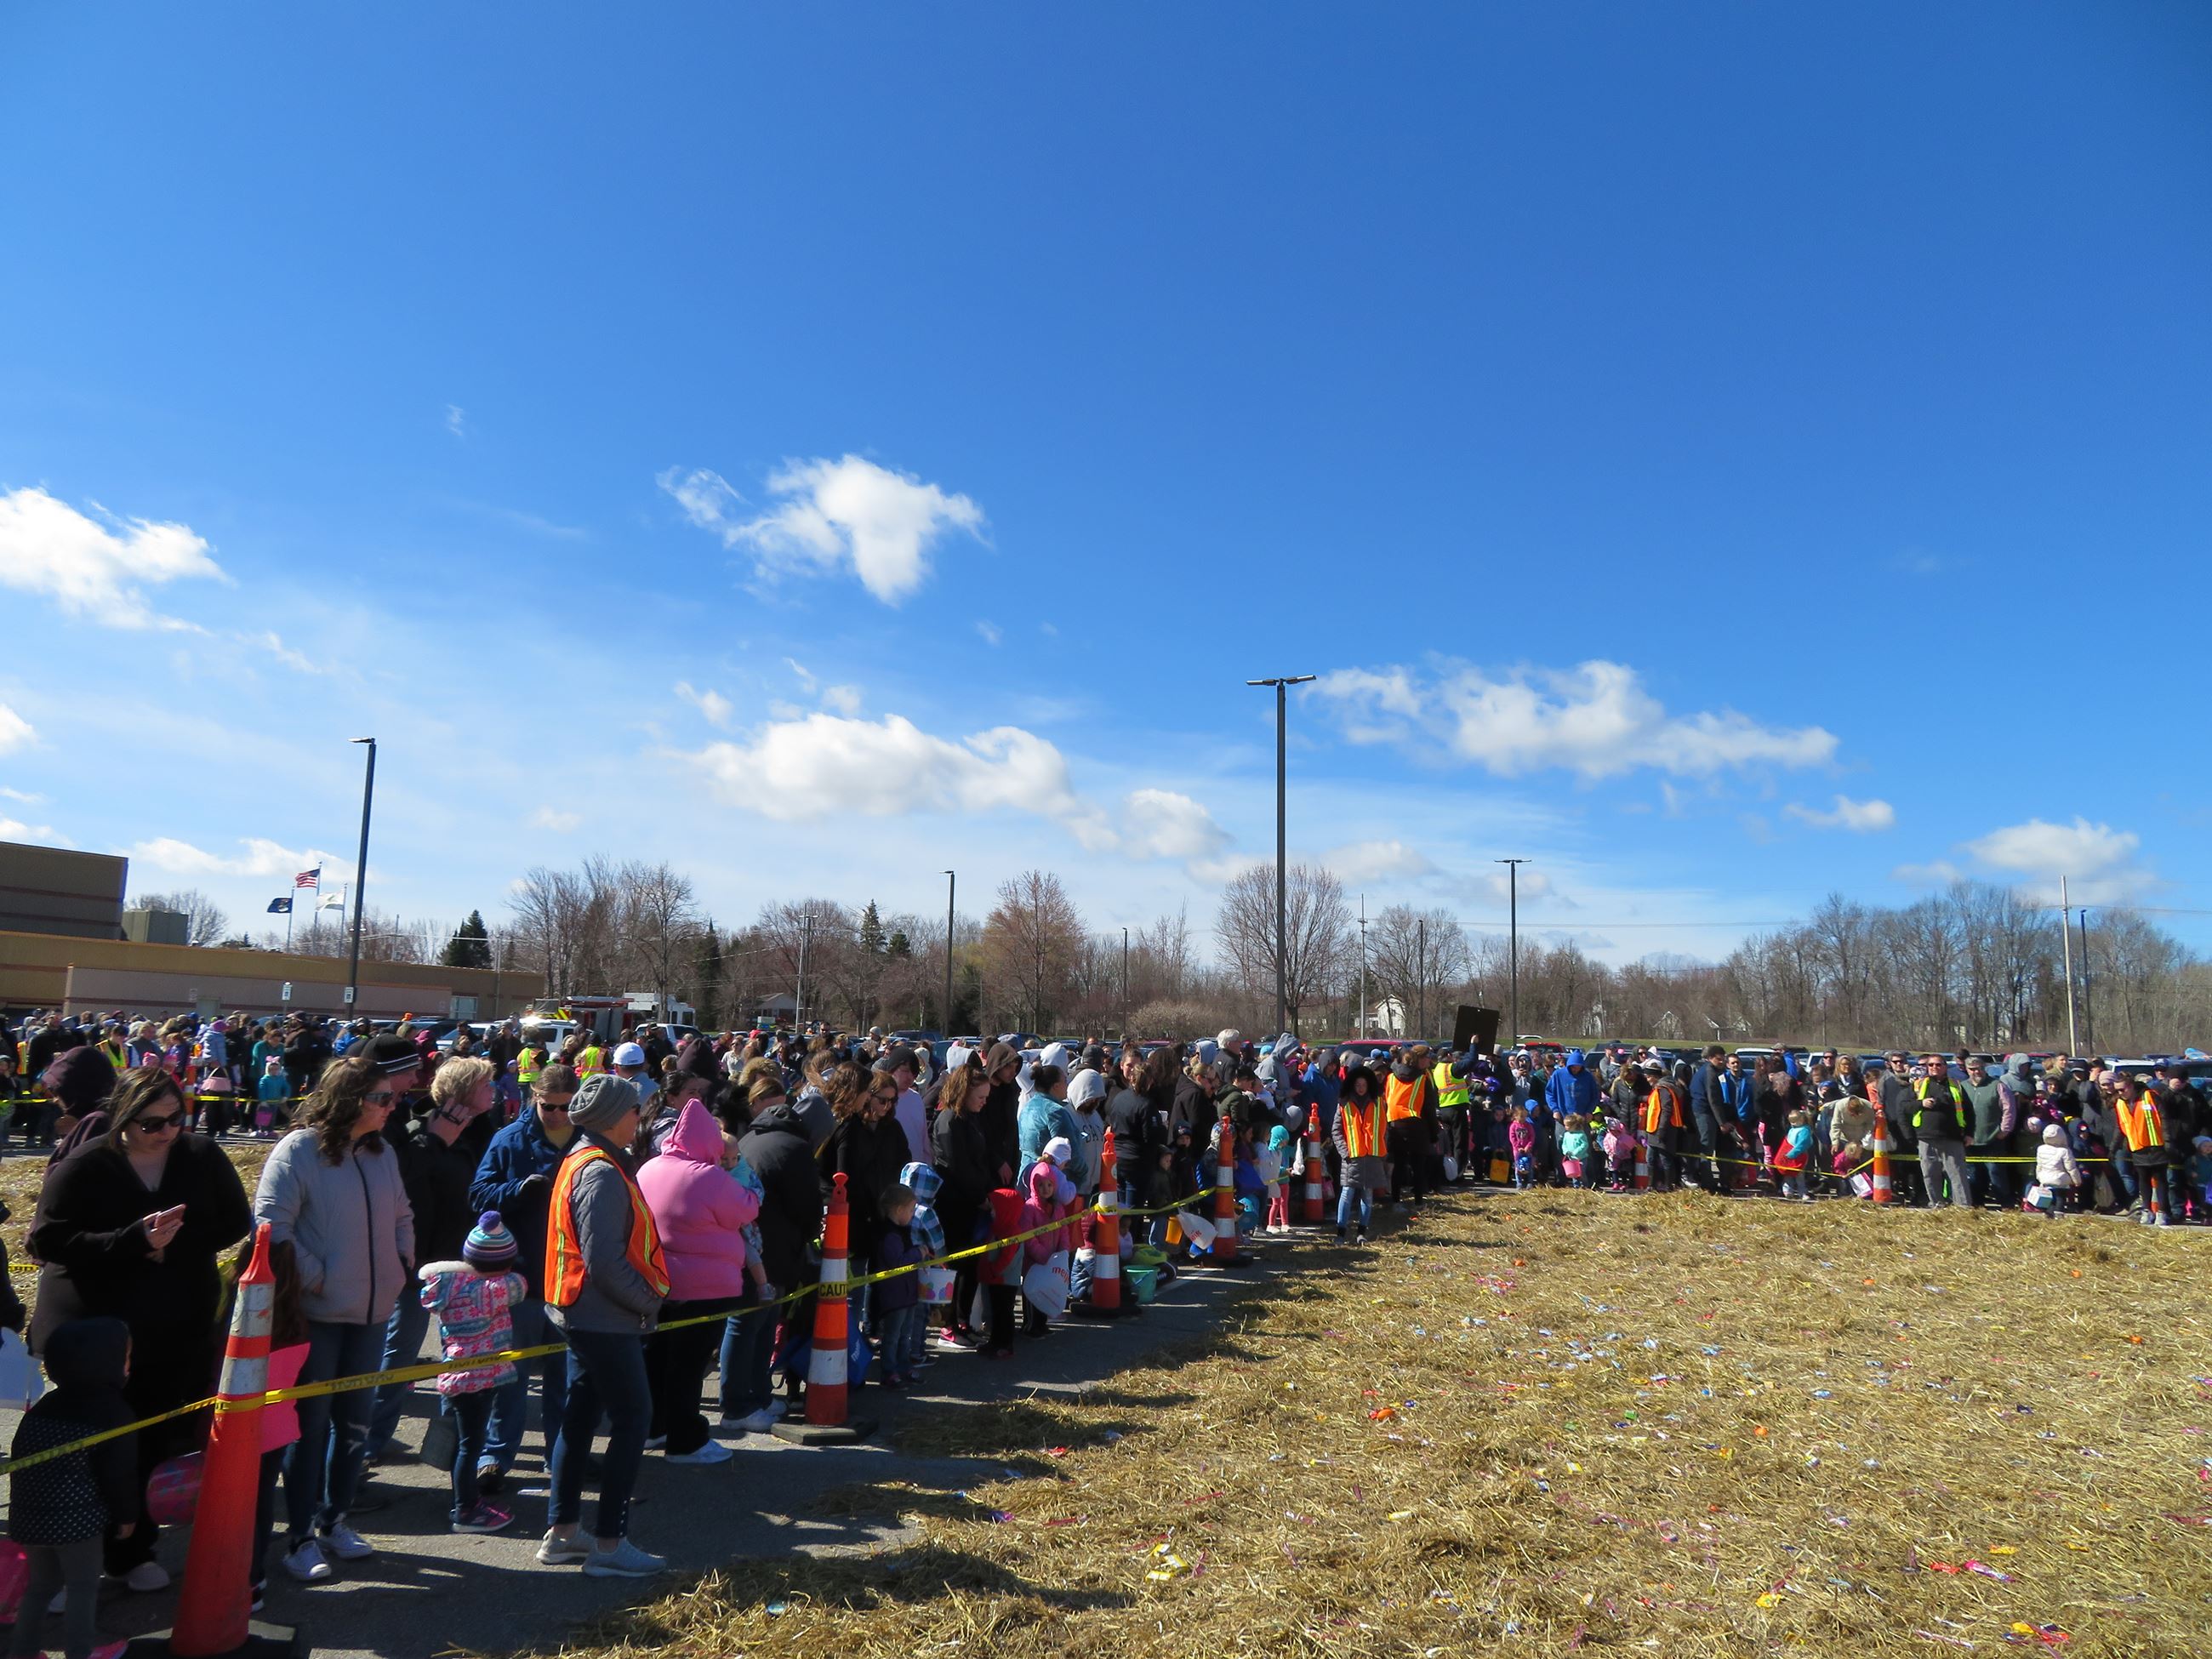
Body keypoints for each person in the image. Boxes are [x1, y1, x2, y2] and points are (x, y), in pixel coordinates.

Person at [28, 1065, 252, 1588]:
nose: (168, 1131)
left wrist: (174, 1244)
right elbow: (47, 1241)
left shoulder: (199, 1156)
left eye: (177, 1118)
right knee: (89, 1446)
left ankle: (131, 1550)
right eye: (152, 1123)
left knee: (151, 1439)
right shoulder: (87, 1165)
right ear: (123, 1118)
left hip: (175, 1327)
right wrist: (130, 1242)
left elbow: (234, 1221)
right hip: (97, 1334)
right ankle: (66, 1562)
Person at [254, 1040, 417, 1583]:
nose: (391, 1106)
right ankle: (298, 1537)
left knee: (355, 1422)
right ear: (348, 1099)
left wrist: (399, 1263)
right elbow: (272, 1227)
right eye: (381, 1098)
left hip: (372, 1314)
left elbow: (401, 1214)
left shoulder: (381, 1151)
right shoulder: (297, 1152)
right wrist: (319, 1278)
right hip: (318, 1316)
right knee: (310, 1426)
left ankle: (333, 1520)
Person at [537, 1073, 670, 1577]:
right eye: (635, 1109)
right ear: (614, 1117)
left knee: (582, 1415)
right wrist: (646, 1304)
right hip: (601, 1317)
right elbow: (605, 1262)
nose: (640, 1116)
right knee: (634, 1416)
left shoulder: (586, 1159)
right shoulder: (601, 1172)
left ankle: (564, 1533)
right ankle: (611, 1546)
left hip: (580, 1310)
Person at [366, 1055, 496, 1466]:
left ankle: (449, 1448)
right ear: (463, 1093)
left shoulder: (483, 1132)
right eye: (485, 1085)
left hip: (465, 1264)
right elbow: (405, 1190)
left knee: (462, 1359)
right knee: (399, 1354)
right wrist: (437, 1139)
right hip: (420, 1266)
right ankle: (369, 1444)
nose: (494, 1092)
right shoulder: (420, 1131)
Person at [469, 1062, 580, 1493]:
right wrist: (517, 1190)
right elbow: (477, 1194)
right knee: (510, 1377)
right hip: (520, 1279)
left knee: (562, 1379)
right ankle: (496, 1456)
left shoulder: (585, 1143)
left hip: (566, 1281)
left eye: (565, 1108)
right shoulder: (510, 1139)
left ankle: (561, 1456)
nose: (555, 1116)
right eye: (548, 1107)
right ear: (535, 1100)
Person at [5, 1317, 136, 1659]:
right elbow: (117, 1474)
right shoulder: (112, 1413)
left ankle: (23, 1651)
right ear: (106, 1364)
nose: (128, 1365)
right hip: (77, 1524)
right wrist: (126, 1515)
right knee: (82, 1588)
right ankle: (82, 1651)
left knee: (41, 1587)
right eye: (125, 1357)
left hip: (29, 1517)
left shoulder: (45, 1406)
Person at [637, 1097, 757, 1465]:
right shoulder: (708, 1176)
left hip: (657, 1282)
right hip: (705, 1287)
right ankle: (685, 1441)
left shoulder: (649, 1168)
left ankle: (654, 1427)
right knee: (689, 1367)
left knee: (657, 1359)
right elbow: (748, 1207)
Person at [418, 1213, 528, 1533]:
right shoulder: (487, 1290)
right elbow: (520, 1286)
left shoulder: (449, 1284)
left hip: (457, 1374)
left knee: (463, 1441)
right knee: (471, 1445)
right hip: (476, 1380)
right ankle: (465, 1509)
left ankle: (463, 1498)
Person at [927, 1062, 994, 1349]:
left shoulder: (971, 1118)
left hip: (973, 1203)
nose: (984, 1102)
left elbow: (978, 1160)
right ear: (965, 1093)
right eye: (980, 1097)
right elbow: (957, 1167)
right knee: (955, 1265)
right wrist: (981, 1198)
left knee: (971, 1266)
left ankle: (964, 1320)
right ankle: (949, 1325)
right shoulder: (949, 1121)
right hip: (955, 1203)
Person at [871, 1184, 923, 1389]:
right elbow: (896, 1262)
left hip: (907, 1293)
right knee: (892, 1336)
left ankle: (903, 1367)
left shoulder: (902, 1231)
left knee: (905, 1334)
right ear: (899, 1210)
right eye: (911, 1210)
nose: (912, 1215)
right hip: (895, 1295)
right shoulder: (890, 1235)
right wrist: (917, 1254)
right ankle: (889, 1371)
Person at [1907, 1054, 1974, 1211]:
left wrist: (1969, 1133)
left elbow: (1969, 1112)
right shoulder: (1918, 1085)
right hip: (1926, 1137)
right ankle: (1937, 1206)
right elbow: (1905, 1107)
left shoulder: (1956, 1085)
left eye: (1938, 1065)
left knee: (1957, 1175)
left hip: (1952, 1137)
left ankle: (1963, 1208)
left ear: (1945, 1067)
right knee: (1930, 1174)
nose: (1934, 1068)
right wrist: (1921, 1103)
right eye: (1931, 1065)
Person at [1331, 1064, 1386, 1243]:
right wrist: (1345, 1152)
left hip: (1372, 1157)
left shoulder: (1378, 1104)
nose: (1361, 1088)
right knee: (1346, 1193)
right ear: (1352, 1086)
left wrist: (1381, 1148)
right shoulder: (1344, 1105)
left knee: (1367, 1195)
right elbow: (1336, 1131)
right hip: (1352, 1157)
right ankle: (1341, 1232)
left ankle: (1362, 1232)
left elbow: (1384, 1128)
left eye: (1364, 1085)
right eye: (1358, 1085)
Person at [2112, 1073, 2173, 1227]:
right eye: (2117, 1090)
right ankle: (2147, 1211)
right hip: (2137, 1147)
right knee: (2143, 1180)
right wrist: (2113, 1148)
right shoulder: (2120, 1103)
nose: (2120, 1093)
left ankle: (2162, 1212)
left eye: (2122, 1089)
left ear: (2131, 1086)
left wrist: (2168, 1142)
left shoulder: (2149, 1096)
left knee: (2161, 1180)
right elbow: (2120, 1127)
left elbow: (2164, 1118)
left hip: (2156, 1145)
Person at [1382, 1046, 1436, 1207]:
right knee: (1418, 1165)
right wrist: (1434, 1132)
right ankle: (1418, 1202)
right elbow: (1428, 1108)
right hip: (1416, 1125)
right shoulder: (1422, 1079)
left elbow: (1386, 1100)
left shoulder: (1391, 1077)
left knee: (1398, 1166)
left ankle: (1396, 1202)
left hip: (1395, 1124)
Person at [2033, 1122, 2081, 1218]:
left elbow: (2039, 1165)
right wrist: (2077, 1180)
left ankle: (2048, 1214)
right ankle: (2059, 1215)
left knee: (2050, 1199)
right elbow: (2071, 1168)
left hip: (2045, 1178)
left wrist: (2039, 1176)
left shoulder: (2041, 1149)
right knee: (2060, 1198)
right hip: (2060, 1180)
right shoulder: (2065, 1151)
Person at [1774, 1109, 1815, 1200]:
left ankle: (1802, 1192)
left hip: (1799, 1156)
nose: (1792, 1124)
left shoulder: (1805, 1130)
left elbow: (1802, 1144)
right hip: (1789, 1155)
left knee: (1799, 1175)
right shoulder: (1792, 1129)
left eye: (1794, 1122)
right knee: (1788, 1173)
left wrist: (1792, 1154)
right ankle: (1788, 1191)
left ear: (1801, 1120)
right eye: (1791, 1122)